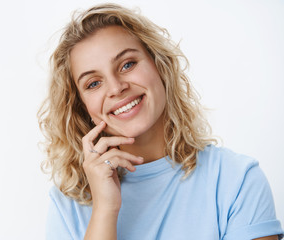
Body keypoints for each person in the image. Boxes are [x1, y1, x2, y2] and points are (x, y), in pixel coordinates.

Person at [37, 3, 283, 240]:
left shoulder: (236, 179)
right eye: (93, 83)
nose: (116, 88)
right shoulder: (67, 206)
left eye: (128, 64)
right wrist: (104, 211)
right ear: (82, 107)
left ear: (160, 66)